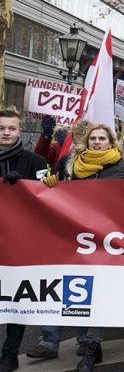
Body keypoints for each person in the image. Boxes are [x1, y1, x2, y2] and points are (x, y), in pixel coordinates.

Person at [38, 124, 124, 372]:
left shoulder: (123, 167)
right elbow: (59, 195)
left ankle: (91, 346)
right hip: (74, 237)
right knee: (71, 288)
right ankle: (70, 341)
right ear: (87, 141)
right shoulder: (69, 164)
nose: (97, 142)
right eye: (93, 138)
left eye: (102, 138)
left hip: (106, 240)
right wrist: (51, 184)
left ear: (111, 142)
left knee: (98, 293)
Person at [0, 107, 48, 372]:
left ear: (20, 131)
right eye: (1, 128)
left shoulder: (36, 162)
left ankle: (10, 353)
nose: (6, 133)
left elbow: (49, 200)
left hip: (21, 244)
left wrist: (24, 191)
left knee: (14, 300)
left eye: (11, 128)